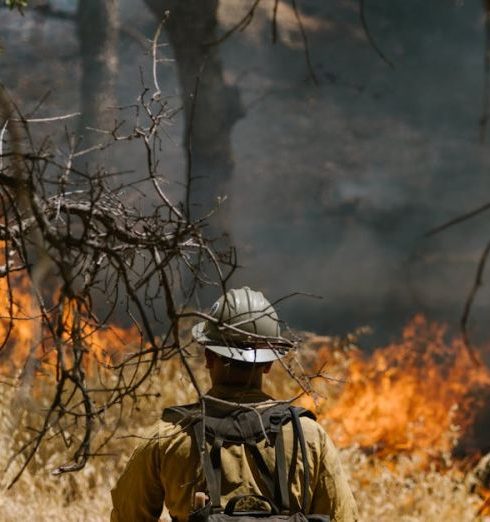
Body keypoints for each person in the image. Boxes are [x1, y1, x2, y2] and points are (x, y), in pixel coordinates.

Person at [110, 287, 359, 522]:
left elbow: (126, 516)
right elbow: (343, 517)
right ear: (269, 363)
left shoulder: (168, 438)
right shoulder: (309, 438)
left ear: (208, 357)